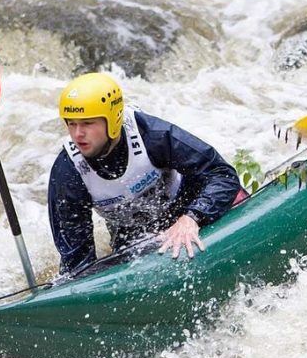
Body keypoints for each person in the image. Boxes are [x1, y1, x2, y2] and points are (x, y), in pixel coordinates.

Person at [48, 72, 244, 274]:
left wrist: (192, 217)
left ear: (113, 121)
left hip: (188, 202)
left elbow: (222, 174)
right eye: (71, 123)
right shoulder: (68, 173)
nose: (78, 134)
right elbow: (77, 263)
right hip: (132, 233)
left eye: (88, 123)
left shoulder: (153, 136)